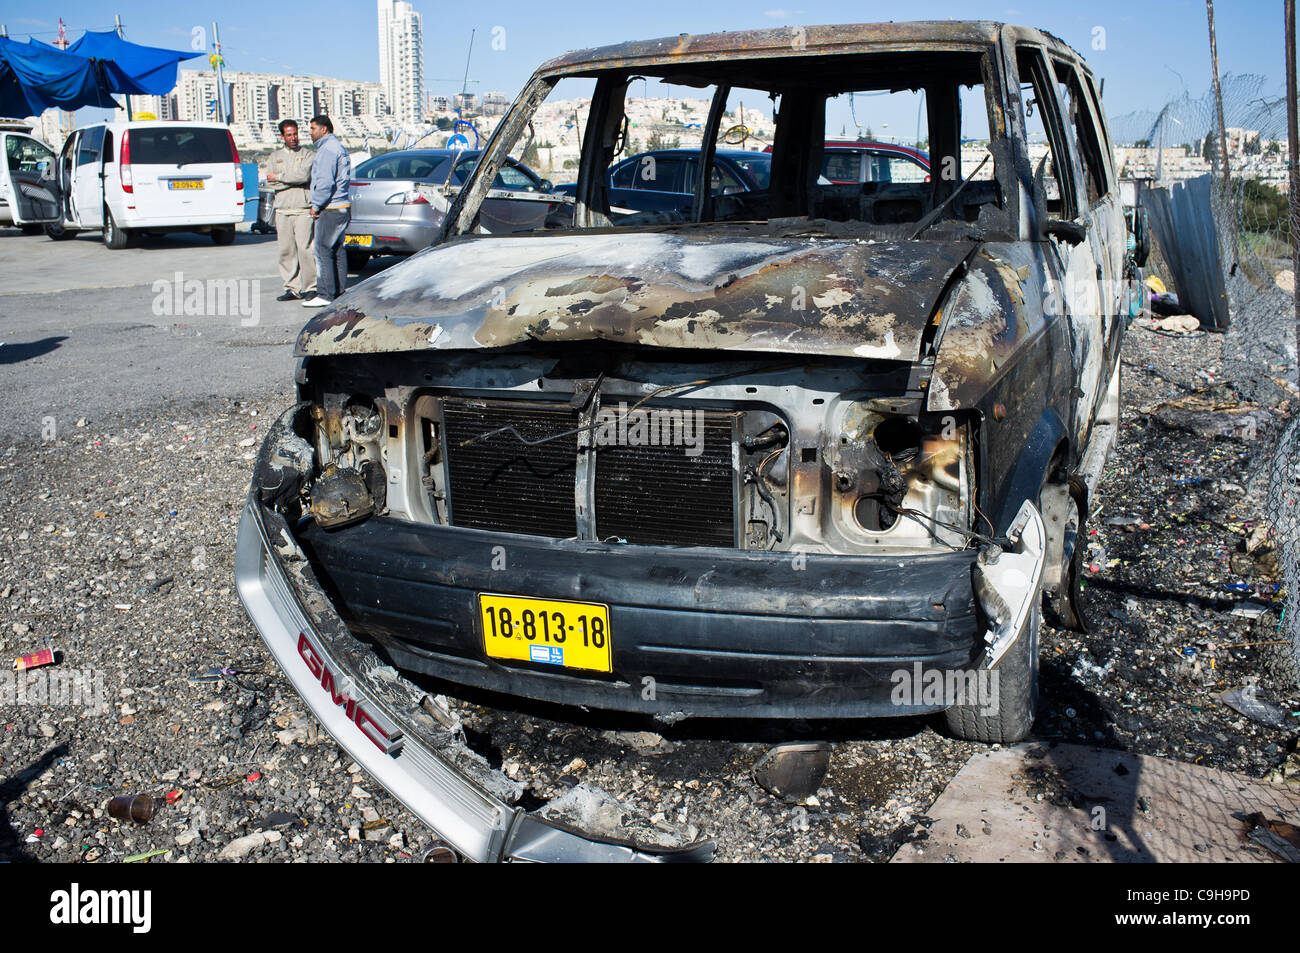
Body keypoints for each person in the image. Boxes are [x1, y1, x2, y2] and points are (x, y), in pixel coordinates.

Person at [303, 115, 352, 308]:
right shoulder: (337, 147)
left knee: (322, 249)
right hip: (342, 206)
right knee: (337, 250)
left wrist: (316, 205)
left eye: (313, 128)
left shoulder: (327, 150)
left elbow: (325, 182)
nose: (310, 132)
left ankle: (325, 293)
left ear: (324, 129)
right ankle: (339, 291)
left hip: (331, 207)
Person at [265, 119, 316, 301]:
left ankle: (310, 286)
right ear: (282, 136)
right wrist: (288, 179)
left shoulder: (308, 155)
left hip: (302, 208)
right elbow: (270, 181)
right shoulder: (274, 156)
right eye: (289, 135)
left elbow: (304, 176)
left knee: (305, 249)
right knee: (286, 250)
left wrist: (280, 177)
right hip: (282, 209)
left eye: (295, 134)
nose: (293, 138)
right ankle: (291, 288)